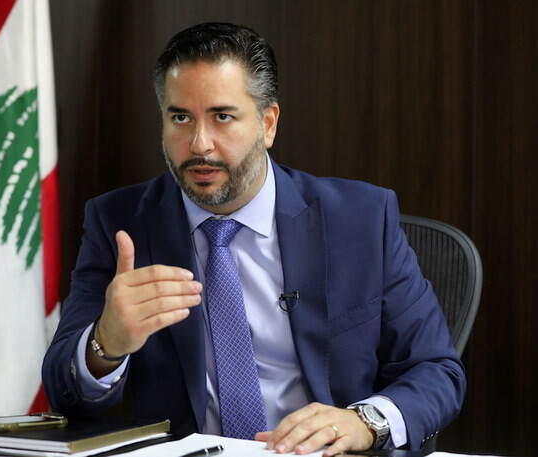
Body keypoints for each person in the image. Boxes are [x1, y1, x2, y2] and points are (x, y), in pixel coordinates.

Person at [42, 22, 465, 455]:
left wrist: (363, 423)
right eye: (180, 118)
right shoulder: (119, 223)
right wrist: (105, 345)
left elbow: (437, 372)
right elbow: (63, 393)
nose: (199, 144)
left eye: (222, 117)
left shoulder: (360, 220)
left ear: (268, 123)